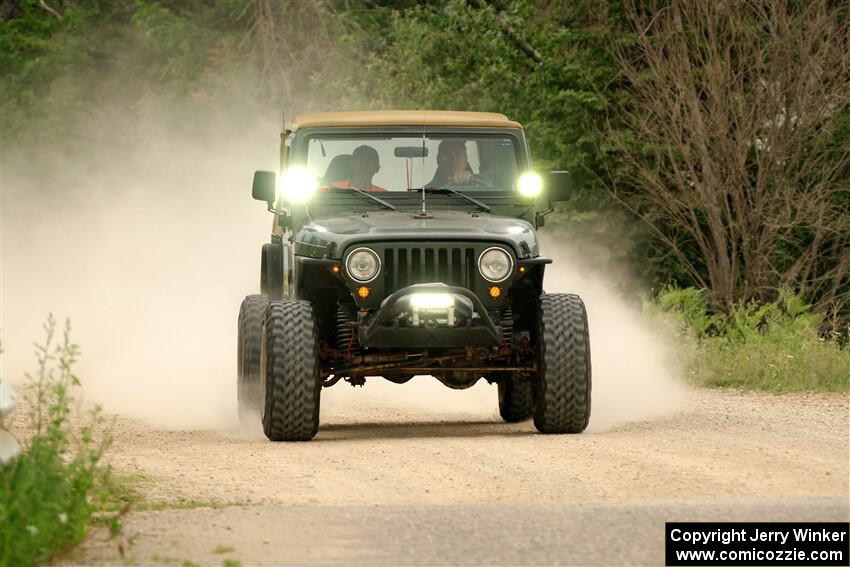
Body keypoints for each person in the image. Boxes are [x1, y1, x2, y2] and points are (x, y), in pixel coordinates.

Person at [426, 139, 491, 188]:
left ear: (466, 159)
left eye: (458, 155)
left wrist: (472, 183)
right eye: (447, 155)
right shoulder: (427, 192)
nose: (453, 160)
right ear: (438, 160)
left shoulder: (483, 183)